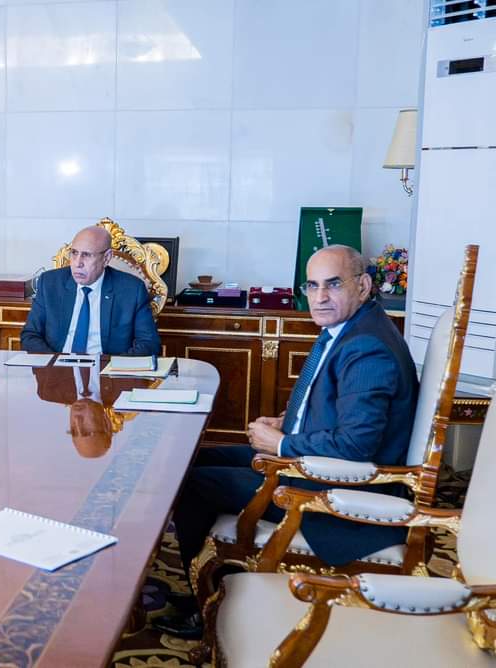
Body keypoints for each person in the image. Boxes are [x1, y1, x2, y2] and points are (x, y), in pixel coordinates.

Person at [154, 244, 420, 638]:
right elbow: (337, 407)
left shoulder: (368, 348)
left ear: (363, 286)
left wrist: (280, 444)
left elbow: (354, 446)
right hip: (312, 466)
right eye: (312, 286)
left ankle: (203, 604)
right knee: (196, 460)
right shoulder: (355, 327)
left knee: (193, 484)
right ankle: (211, 580)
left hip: (337, 495)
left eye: (333, 284)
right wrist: (288, 422)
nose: (320, 297)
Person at [20, 225, 160, 356]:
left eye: (86, 255)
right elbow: (30, 335)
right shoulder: (50, 283)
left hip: (106, 369)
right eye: (74, 253)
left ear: (106, 258)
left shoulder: (132, 290)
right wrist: (54, 363)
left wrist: (113, 367)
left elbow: (149, 344)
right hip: (57, 366)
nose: (77, 263)